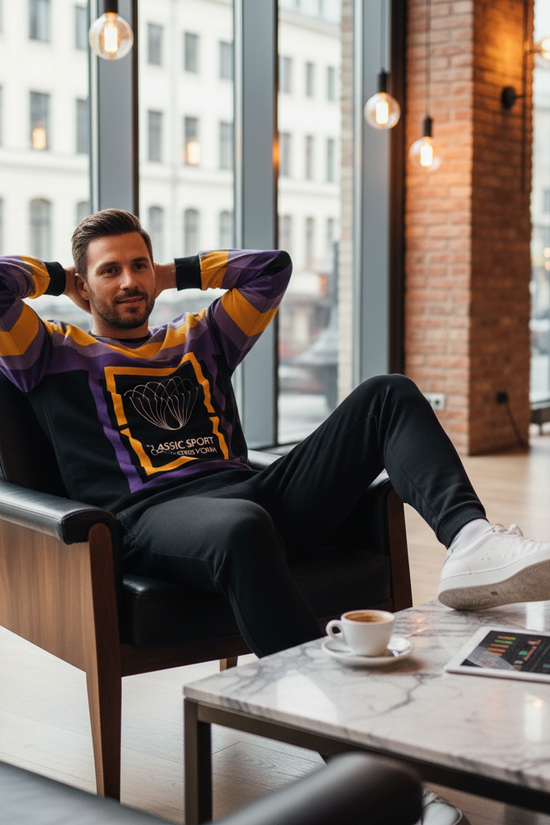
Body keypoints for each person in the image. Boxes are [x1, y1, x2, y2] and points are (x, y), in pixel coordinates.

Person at [4, 208, 544, 825]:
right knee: (241, 529)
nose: (128, 282)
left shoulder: (198, 337)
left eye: (138, 266)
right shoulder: (48, 352)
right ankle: (366, 767)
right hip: (155, 518)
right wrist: (53, 277)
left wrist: (174, 270)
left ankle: (471, 538)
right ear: (83, 283)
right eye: (109, 271)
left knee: (387, 393)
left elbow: (270, 271)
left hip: (252, 491)